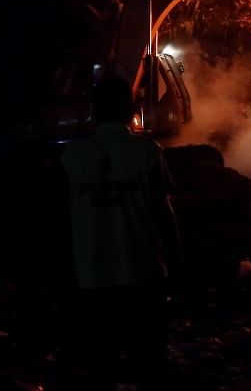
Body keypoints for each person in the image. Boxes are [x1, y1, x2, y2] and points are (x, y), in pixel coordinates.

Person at [59, 77, 183, 390]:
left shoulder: (71, 155)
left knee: (99, 364)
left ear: (93, 110)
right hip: (142, 272)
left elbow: (60, 219)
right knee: (149, 362)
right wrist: (178, 267)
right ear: (131, 109)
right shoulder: (147, 151)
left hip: (91, 275)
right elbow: (164, 214)